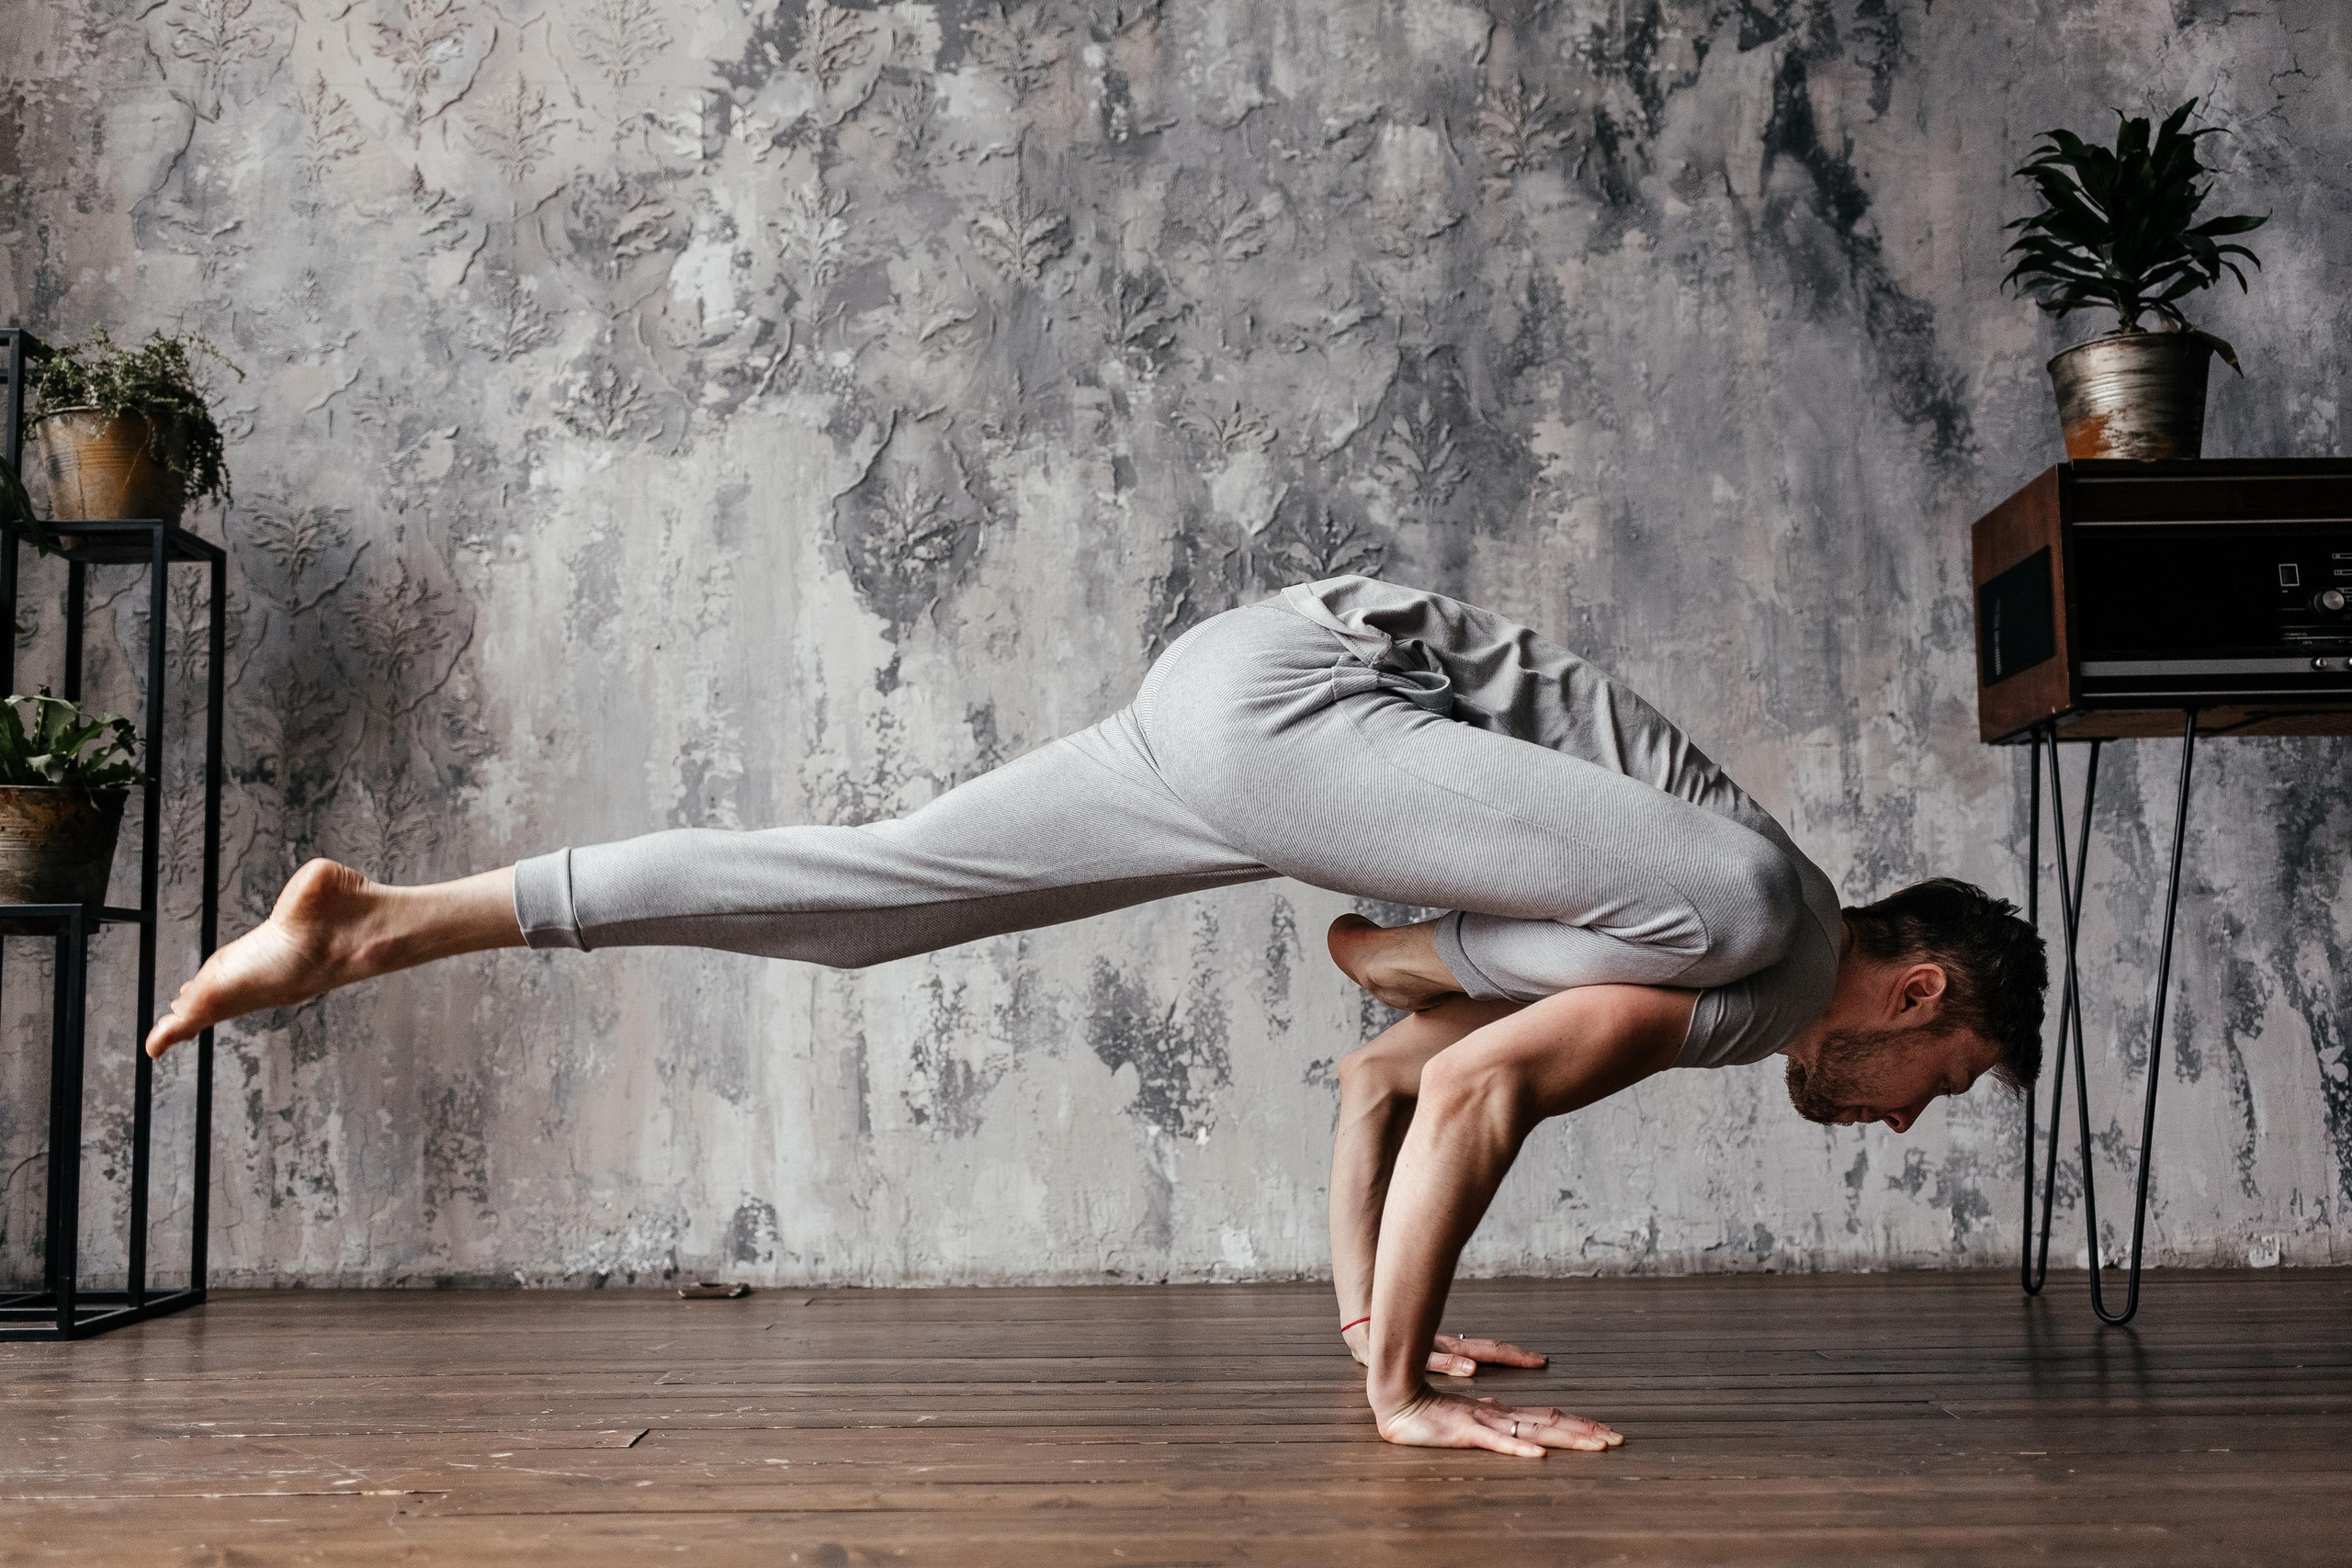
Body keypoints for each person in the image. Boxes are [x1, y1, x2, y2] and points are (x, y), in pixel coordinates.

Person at [143, 575, 2046, 1458]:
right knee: (1708, 904)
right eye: (1932, 1079)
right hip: (1311, 709)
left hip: (1244, 698)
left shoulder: (1719, 955)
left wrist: (1368, 1317)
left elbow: (1380, 1085)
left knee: (862, 904)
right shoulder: (1770, 953)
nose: (1896, 1120)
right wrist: (1394, 1395)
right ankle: (1424, 932)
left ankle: (388, 919)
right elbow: (1464, 1087)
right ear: (1908, 987)